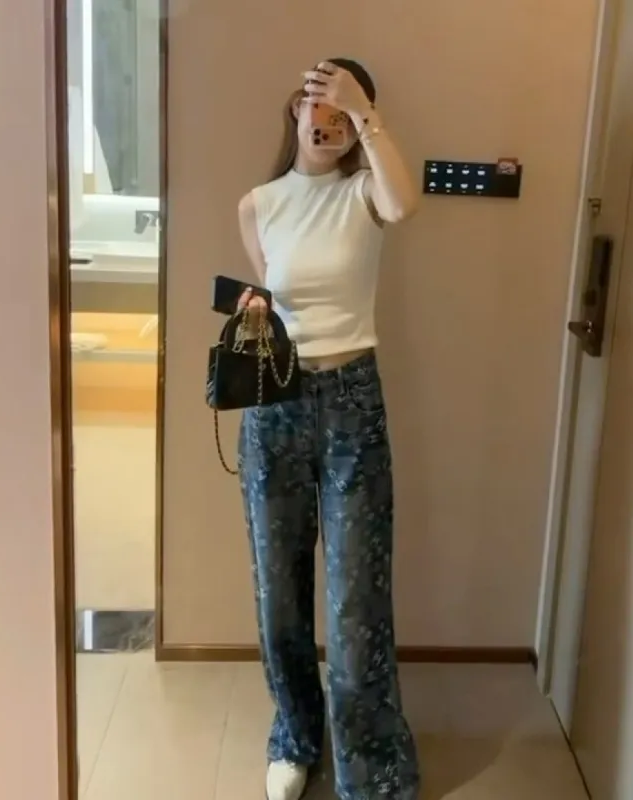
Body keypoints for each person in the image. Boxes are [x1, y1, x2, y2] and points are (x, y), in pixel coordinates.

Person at [236, 58, 421, 800]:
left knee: (356, 602)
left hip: (352, 403)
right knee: (279, 591)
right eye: (320, 104)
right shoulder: (258, 204)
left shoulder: (366, 192)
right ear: (296, 109)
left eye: (346, 112)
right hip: (275, 404)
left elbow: (405, 204)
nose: (330, 121)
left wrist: (365, 111)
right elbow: (277, 297)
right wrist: (257, 312)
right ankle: (295, 735)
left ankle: (371, 770)